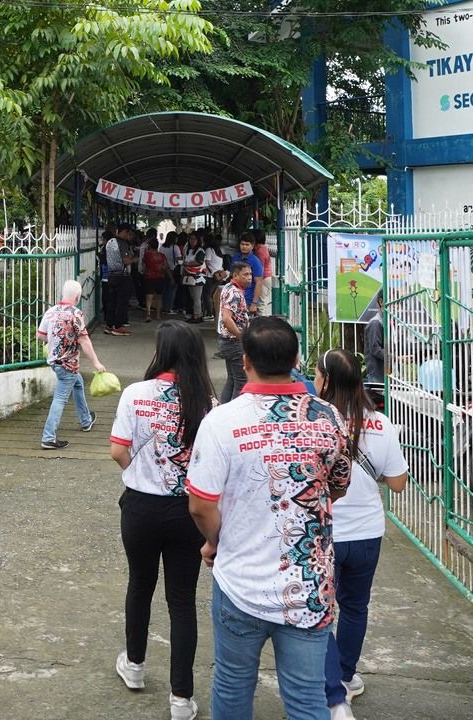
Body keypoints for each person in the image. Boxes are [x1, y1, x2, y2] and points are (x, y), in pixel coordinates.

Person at [186, 315, 350, 720]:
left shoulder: (221, 421)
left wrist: (214, 540)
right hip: (308, 587)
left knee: (231, 682)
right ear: (296, 359)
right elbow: (339, 485)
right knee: (307, 697)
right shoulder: (328, 417)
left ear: (245, 362)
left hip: (239, 582)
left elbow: (200, 503)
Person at [110, 320, 215, 720]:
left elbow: (118, 450)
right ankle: (181, 699)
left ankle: (134, 666)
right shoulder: (207, 401)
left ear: (162, 351)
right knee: (182, 601)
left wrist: (139, 472)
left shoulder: (136, 393)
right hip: (187, 510)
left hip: (141, 506)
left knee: (139, 584)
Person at [316, 347, 409, 719]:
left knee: (321, 613)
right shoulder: (381, 423)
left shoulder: (319, 422)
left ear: (326, 381)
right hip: (368, 532)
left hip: (327, 533)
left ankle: (333, 692)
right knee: (355, 607)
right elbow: (399, 483)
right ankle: (346, 675)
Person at [39, 279, 109, 450]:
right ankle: (48, 437)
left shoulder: (51, 311)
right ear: (77, 297)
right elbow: (84, 340)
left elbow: (41, 335)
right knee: (60, 398)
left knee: (78, 384)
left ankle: (86, 420)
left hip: (55, 363)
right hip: (68, 365)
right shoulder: (75, 314)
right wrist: (96, 363)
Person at [214, 261, 253, 403]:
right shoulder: (234, 293)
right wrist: (241, 336)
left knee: (232, 379)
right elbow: (227, 318)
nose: (249, 278)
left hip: (227, 342)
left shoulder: (228, 287)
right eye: (245, 274)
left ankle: (223, 409)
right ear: (235, 275)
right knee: (241, 382)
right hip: (233, 342)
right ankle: (234, 412)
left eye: (250, 274)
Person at [103, 224, 134, 335]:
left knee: (112, 301)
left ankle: (109, 325)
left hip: (111, 275)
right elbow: (126, 260)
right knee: (121, 302)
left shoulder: (110, 242)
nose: (128, 236)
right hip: (122, 276)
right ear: (125, 231)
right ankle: (118, 326)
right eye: (128, 233)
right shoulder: (122, 243)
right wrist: (135, 259)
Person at [233, 236, 264, 314]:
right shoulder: (235, 257)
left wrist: (254, 303)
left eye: (247, 245)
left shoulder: (255, 261)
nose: (244, 247)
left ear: (252, 246)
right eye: (242, 244)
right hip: (234, 297)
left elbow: (259, 282)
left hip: (248, 299)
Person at [141, 239, 169, 323]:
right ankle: (158, 315)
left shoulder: (147, 255)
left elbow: (143, 263)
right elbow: (165, 267)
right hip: (160, 277)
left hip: (149, 277)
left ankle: (148, 314)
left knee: (149, 297)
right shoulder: (162, 256)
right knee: (159, 297)